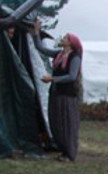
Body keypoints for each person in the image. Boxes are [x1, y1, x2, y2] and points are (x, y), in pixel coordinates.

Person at [32, 18, 82, 162]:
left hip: (67, 95)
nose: (63, 39)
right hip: (55, 93)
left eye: (66, 38)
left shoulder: (74, 57)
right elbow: (41, 48)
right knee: (56, 122)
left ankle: (69, 153)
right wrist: (36, 31)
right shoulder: (59, 55)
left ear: (71, 43)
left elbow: (72, 76)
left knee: (67, 123)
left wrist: (53, 79)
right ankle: (63, 150)